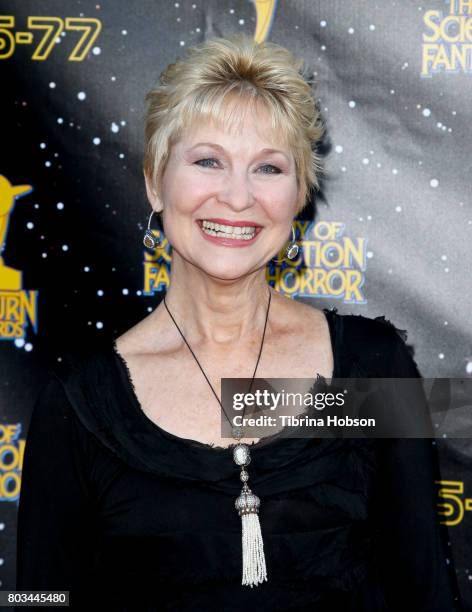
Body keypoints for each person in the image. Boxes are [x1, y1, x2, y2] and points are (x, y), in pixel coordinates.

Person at [16, 34, 463, 611]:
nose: (236, 196)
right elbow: (37, 598)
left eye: (268, 168)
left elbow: (426, 589)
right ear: (155, 180)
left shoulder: (374, 367)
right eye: (208, 161)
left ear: (300, 194)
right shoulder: (78, 406)